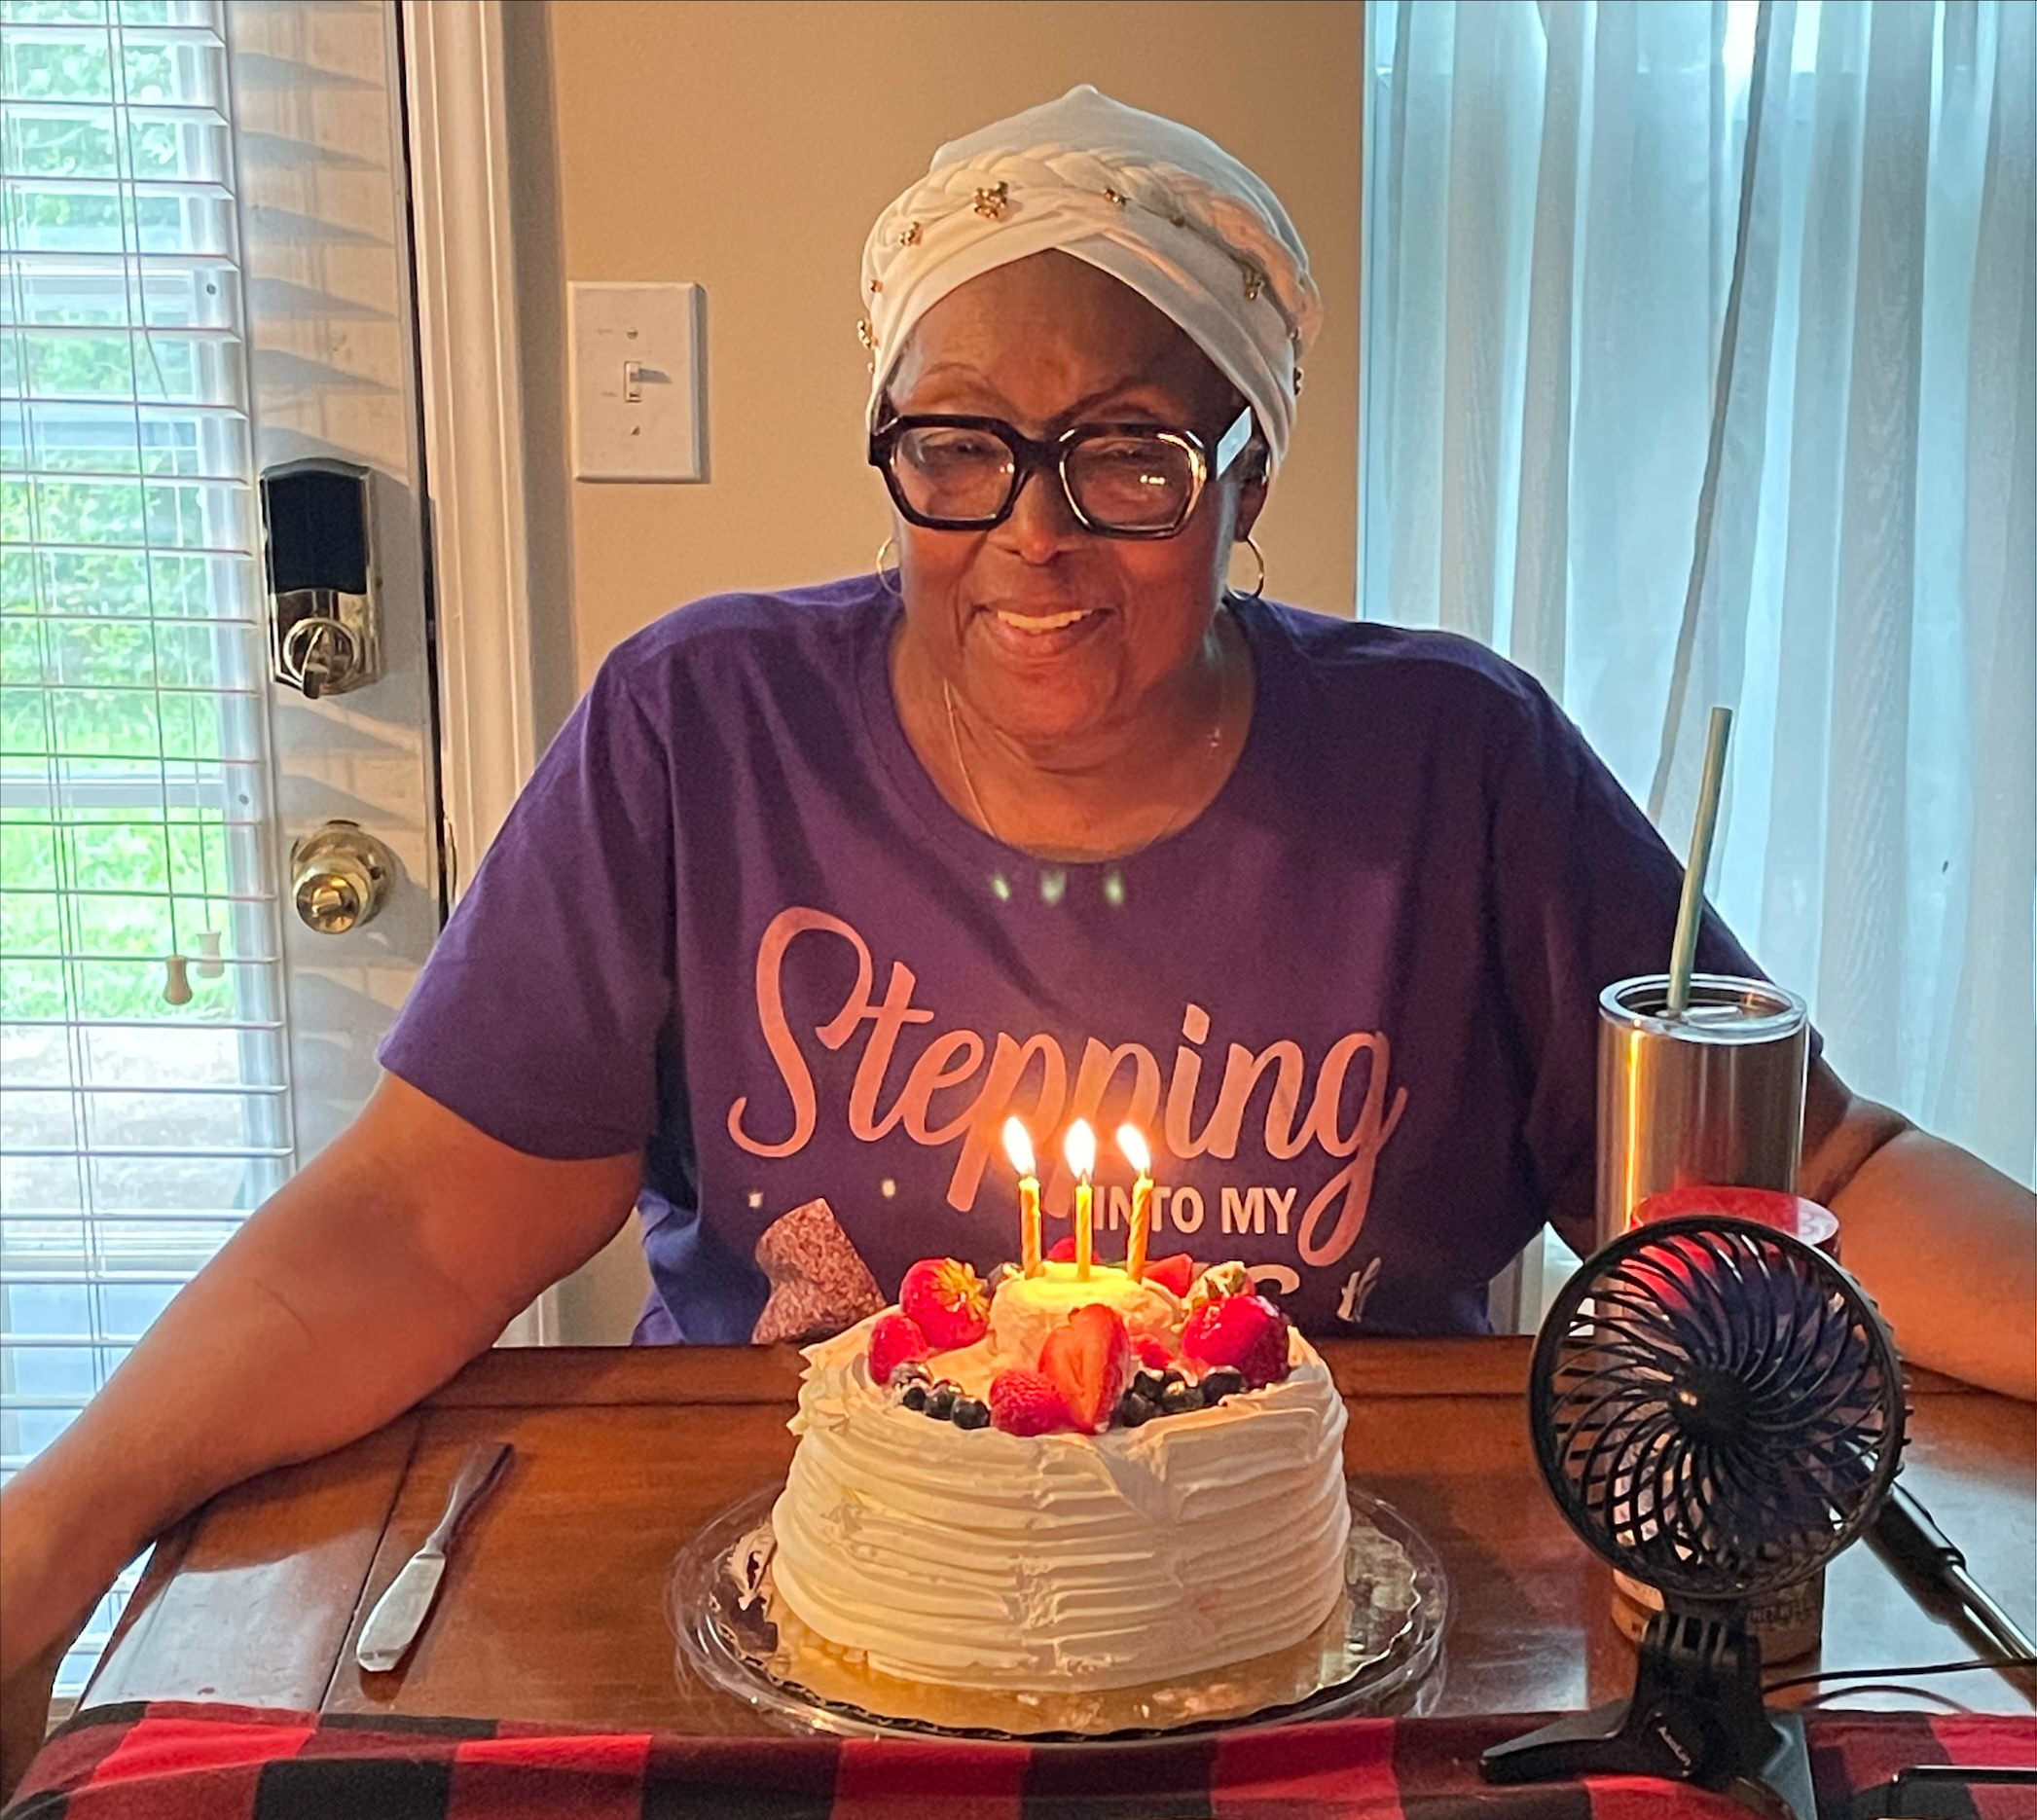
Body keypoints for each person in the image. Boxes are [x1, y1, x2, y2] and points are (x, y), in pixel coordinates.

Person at [2, 86, 2030, 1800]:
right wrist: (52, 1530)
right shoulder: (702, 728)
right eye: (956, 446)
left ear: (1247, 473)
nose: (1030, 534)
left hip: (1350, 1677)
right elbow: (411, 1222)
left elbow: (1817, 1179)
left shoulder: (1458, 760)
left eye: (1127, 452)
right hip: (770, 1656)